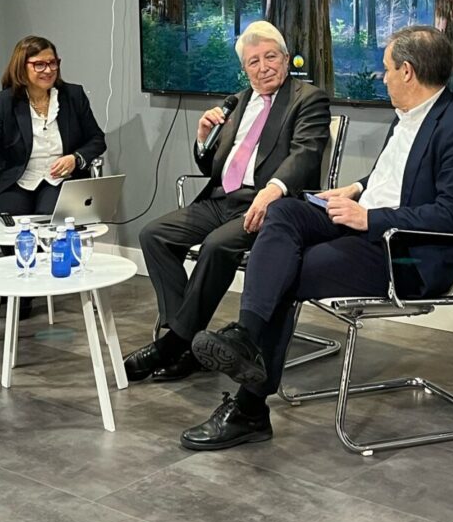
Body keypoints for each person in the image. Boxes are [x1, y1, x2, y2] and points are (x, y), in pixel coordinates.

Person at [182, 25, 453, 451]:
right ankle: (247, 339)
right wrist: (356, 189)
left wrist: (369, 217)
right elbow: (393, 179)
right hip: (369, 225)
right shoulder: (406, 115)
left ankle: (249, 408)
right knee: (284, 210)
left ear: (407, 71)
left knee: (288, 270)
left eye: (387, 69)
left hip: (406, 254)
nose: (382, 77)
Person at [123, 21, 330, 384]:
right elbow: (216, 168)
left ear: (286, 58)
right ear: (244, 68)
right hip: (222, 199)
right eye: (254, 61)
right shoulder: (237, 102)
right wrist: (203, 140)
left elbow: (306, 154)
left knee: (217, 246)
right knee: (154, 235)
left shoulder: (308, 99)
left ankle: (174, 345)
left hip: (269, 206)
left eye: (270, 57)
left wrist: (273, 189)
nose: (263, 67)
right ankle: (187, 340)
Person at [0, 35, 106, 216]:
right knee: (8, 218)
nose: (48, 70)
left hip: (60, 181)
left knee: (53, 217)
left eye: (53, 63)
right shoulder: (3, 103)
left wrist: (75, 158)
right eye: (39, 65)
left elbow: (97, 139)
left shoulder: (73, 96)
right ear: (21, 67)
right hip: (14, 181)